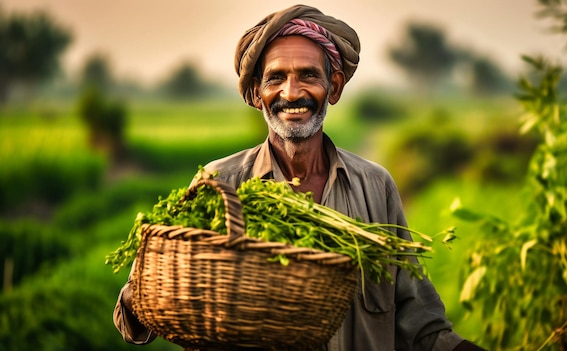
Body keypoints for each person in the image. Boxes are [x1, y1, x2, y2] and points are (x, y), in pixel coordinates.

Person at [114, 4, 486, 351]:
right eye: (276, 78)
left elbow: (417, 319)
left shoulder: (375, 186)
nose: (291, 93)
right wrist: (149, 290)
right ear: (258, 93)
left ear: (334, 87)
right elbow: (132, 316)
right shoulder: (220, 183)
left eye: (308, 75)